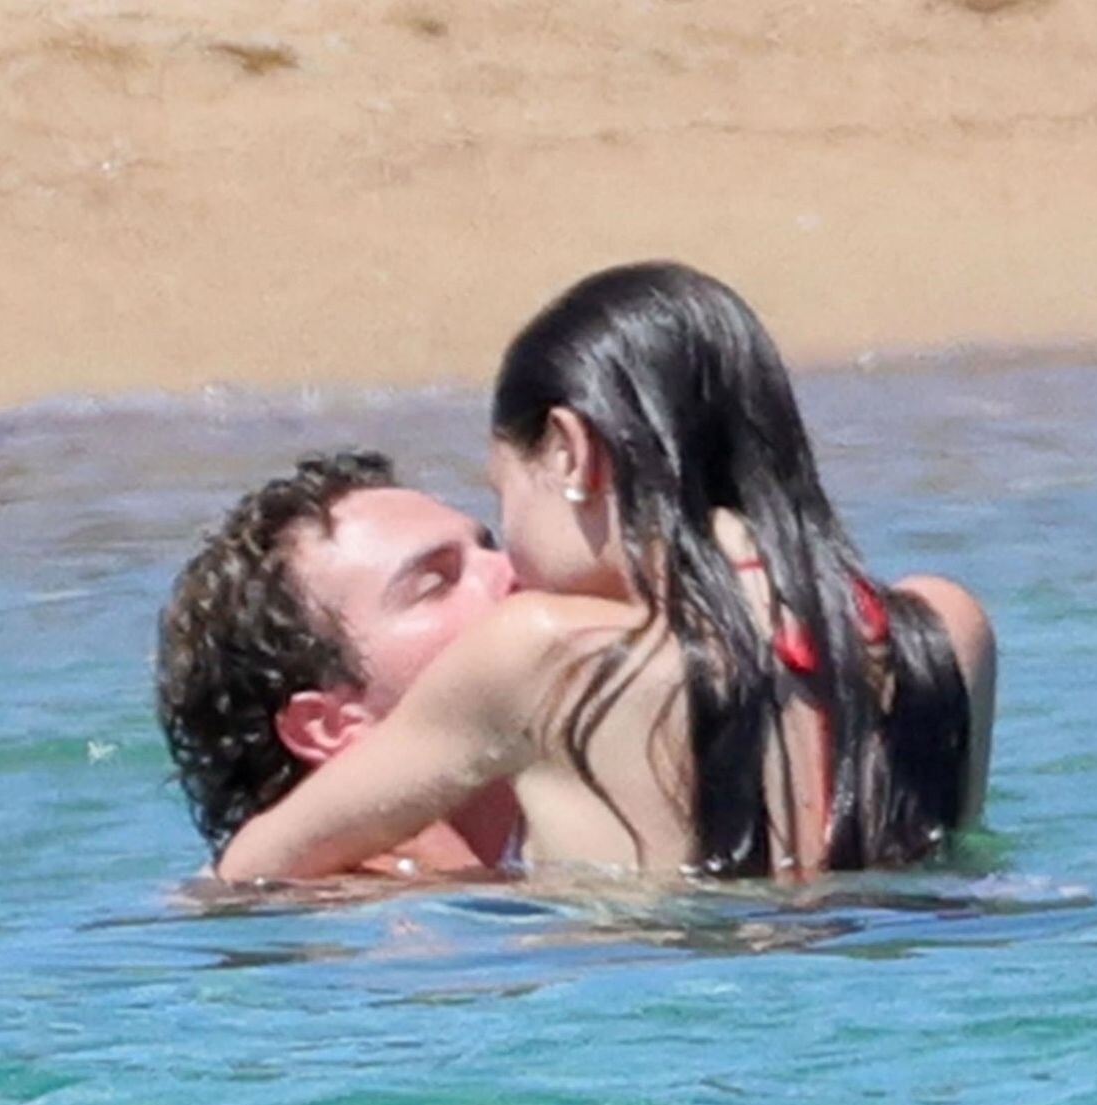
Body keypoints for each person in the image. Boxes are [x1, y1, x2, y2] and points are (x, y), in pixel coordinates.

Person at [214, 261, 996, 887]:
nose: (511, 564)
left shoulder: (542, 654)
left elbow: (253, 870)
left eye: (504, 496)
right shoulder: (946, 630)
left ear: (569, 451)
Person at [155, 450, 518, 881]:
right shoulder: (367, 910)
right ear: (328, 724)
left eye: (490, 546)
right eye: (435, 583)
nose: (513, 570)